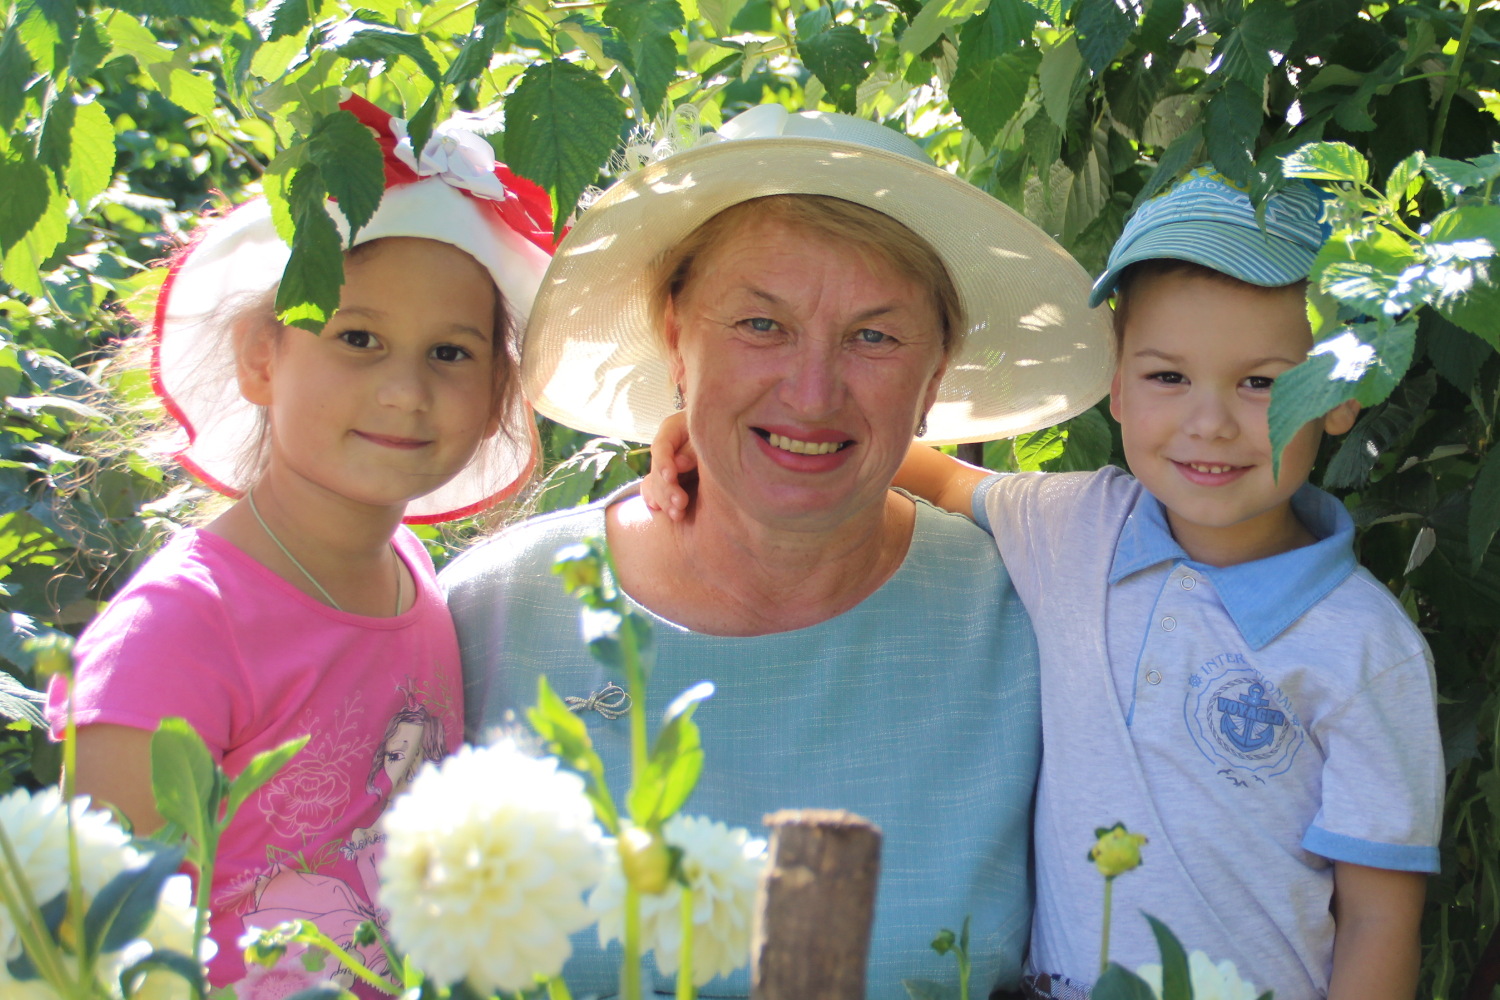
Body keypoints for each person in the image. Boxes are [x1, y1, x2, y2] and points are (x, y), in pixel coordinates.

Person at [646, 167, 1445, 1000]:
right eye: (1168, 376)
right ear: (1117, 386)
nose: (1209, 420)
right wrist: (711, 426)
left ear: (1342, 392)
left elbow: (1380, 918)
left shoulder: (1364, 648)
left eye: (1261, 383)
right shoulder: (1075, 530)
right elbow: (932, 474)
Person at [442, 103, 1115, 998]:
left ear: (936, 376)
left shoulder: (1028, 618)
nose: (811, 390)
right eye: (761, 325)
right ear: (675, 334)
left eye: (873, 337)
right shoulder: (492, 613)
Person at [45, 94, 556, 992]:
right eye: (358, 337)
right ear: (260, 358)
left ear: (498, 398)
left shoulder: (412, 579)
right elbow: (91, 950)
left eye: (451, 354)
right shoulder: (178, 636)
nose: (405, 391)